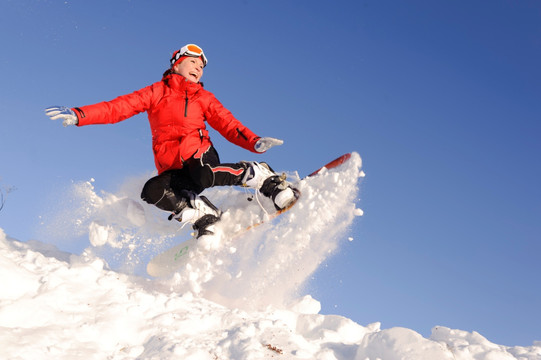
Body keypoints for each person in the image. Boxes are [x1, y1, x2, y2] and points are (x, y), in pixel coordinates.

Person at [45, 43, 297, 238]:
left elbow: (228, 124)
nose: (198, 68)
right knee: (153, 191)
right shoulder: (156, 92)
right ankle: (205, 216)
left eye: (201, 66)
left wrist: (253, 142)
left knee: (203, 175)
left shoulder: (203, 97)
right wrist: (80, 115)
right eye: (193, 62)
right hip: (173, 167)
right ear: (176, 64)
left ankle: (260, 176)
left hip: (200, 155)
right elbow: (118, 108)